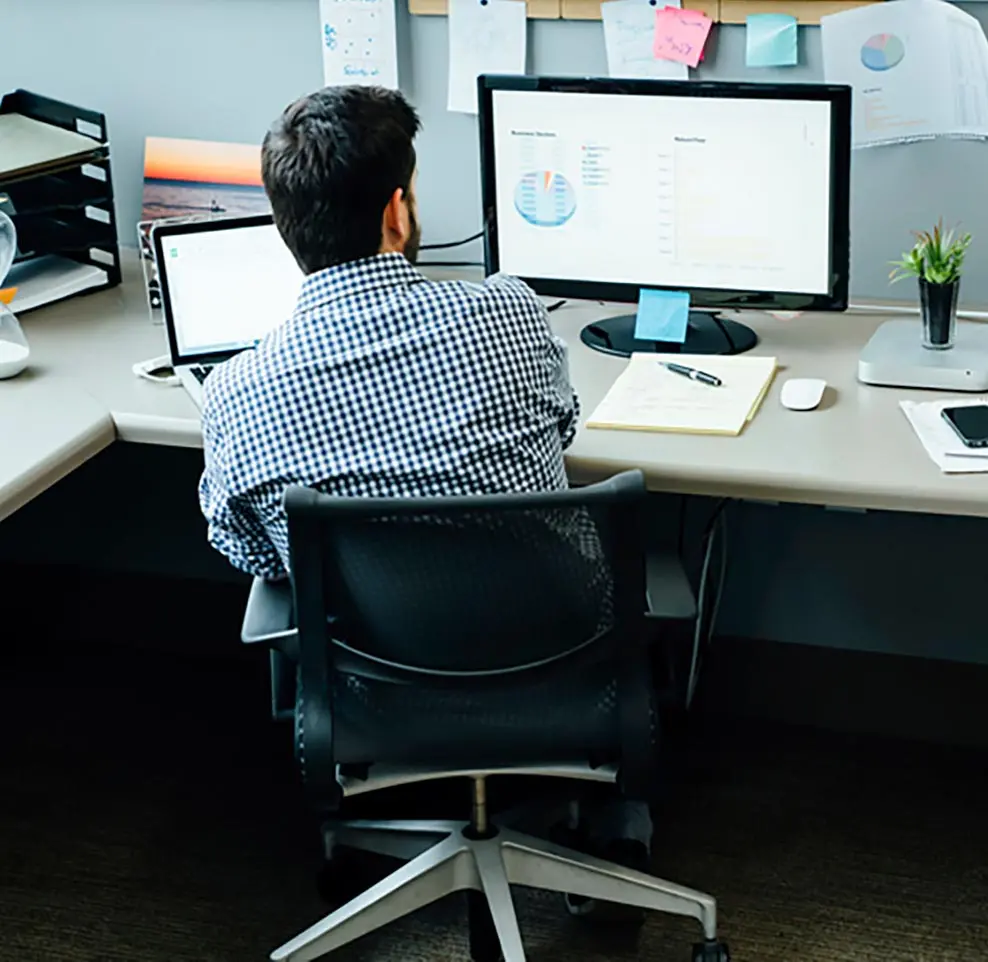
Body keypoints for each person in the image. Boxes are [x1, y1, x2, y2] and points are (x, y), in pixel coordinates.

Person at [198, 85, 651, 923]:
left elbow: (258, 555)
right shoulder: (510, 313)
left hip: (372, 693)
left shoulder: (235, 392)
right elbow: (559, 429)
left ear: (283, 223)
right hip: (556, 659)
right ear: (398, 211)